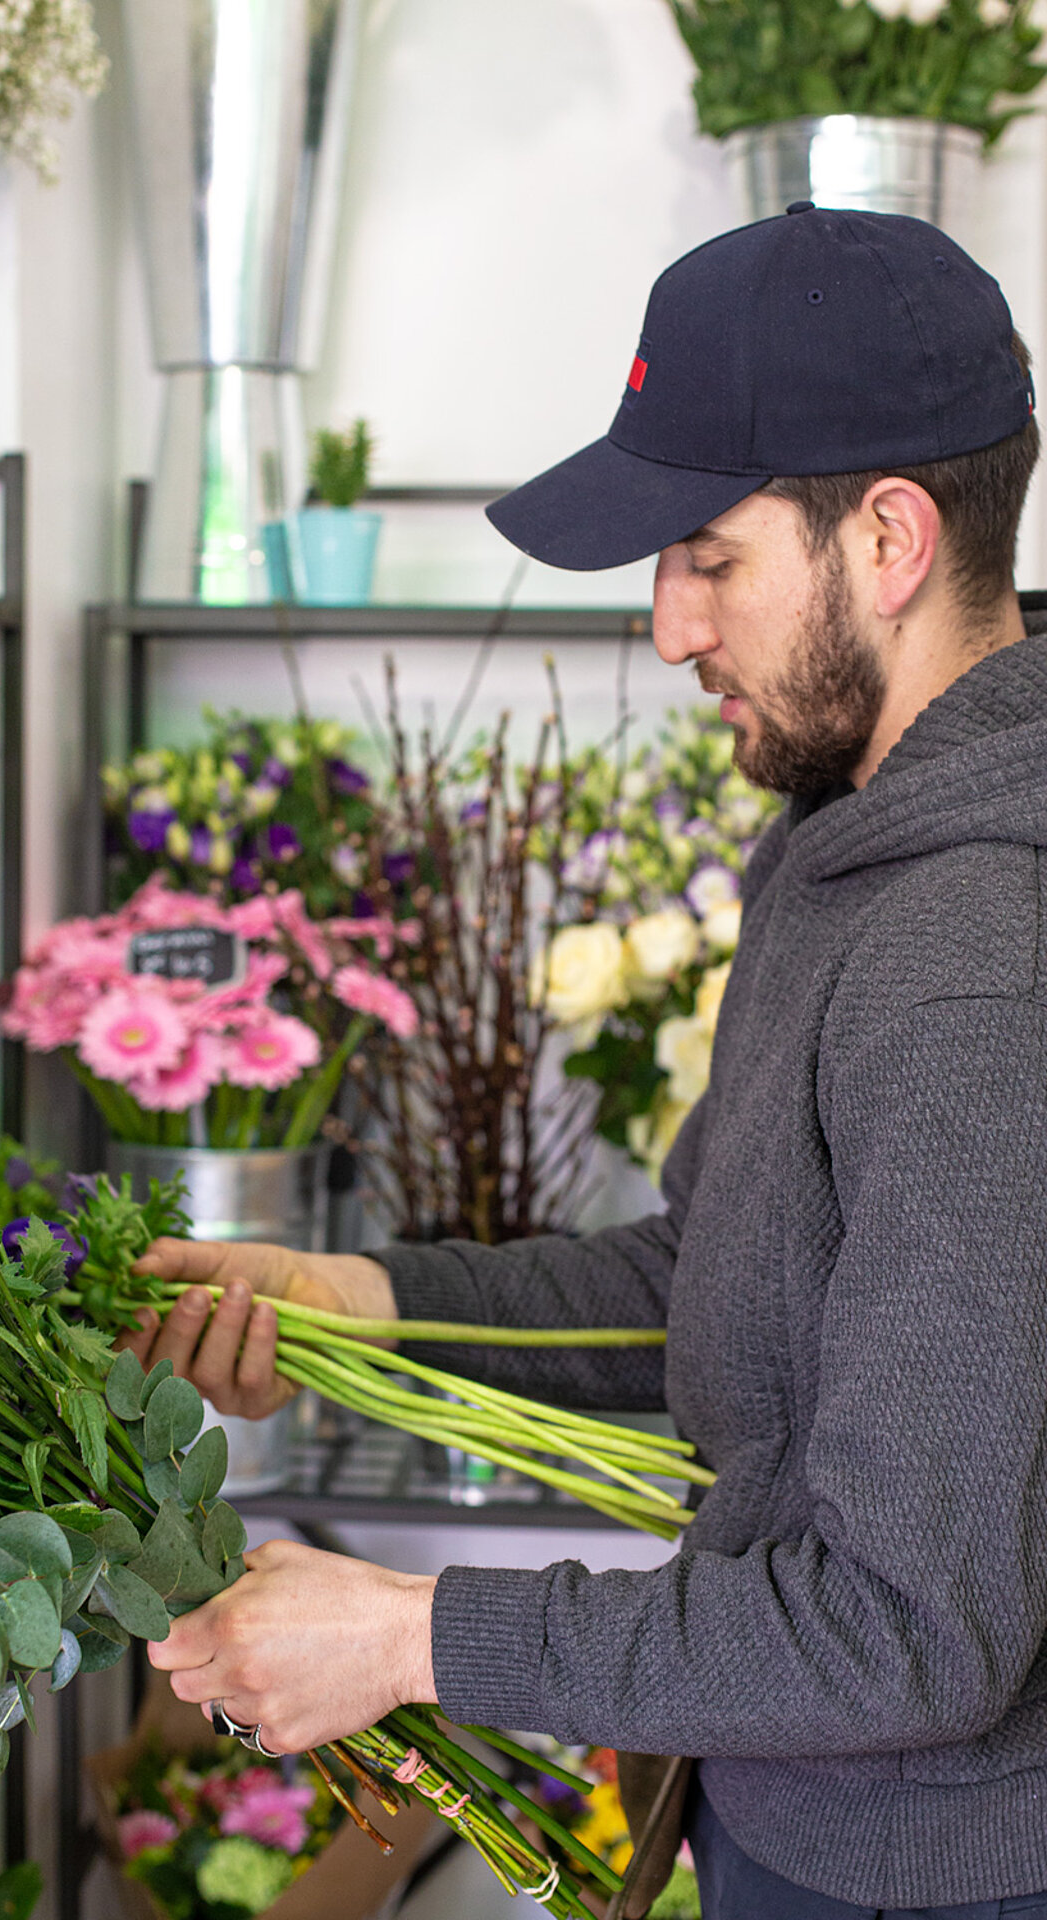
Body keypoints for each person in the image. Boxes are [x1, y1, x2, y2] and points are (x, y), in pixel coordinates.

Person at [119, 203, 1047, 1920]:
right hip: (791, 1822)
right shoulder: (847, 848)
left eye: (707, 555)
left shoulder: (980, 967)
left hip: (934, 1877)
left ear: (892, 538)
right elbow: (717, 1278)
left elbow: (917, 1628)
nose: (669, 630)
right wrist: (345, 1301)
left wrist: (413, 1638)